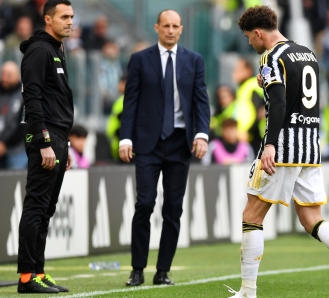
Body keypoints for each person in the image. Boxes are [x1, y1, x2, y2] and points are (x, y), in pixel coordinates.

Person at [227, 6, 329, 298]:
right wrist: (266, 85)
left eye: (248, 37)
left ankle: (248, 290)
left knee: (252, 215)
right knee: (312, 219)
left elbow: (281, 104)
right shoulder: (307, 53)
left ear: (258, 33)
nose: (249, 43)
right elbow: (298, 94)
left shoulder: (270, 57)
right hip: (310, 147)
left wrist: (269, 143)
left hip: (282, 146)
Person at [119, 9, 210, 287]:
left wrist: (203, 134)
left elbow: (200, 101)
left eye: (175, 26)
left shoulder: (194, 61)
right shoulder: (139, 60)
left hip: (180, 143)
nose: (170, 30)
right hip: (147, 143)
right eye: (166, 26)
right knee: (144, 204)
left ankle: (163, 271)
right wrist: (126, 138)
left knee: (173, 208)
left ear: (181, 29)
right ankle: (137, 269)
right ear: (157, 27)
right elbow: (130, 102)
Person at [16, 0, 74, 294]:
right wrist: (45, 142)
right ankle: (26, 277)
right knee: (36, 206)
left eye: (72, 16)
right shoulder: (40, 51)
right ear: (48, 19)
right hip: (46, 140)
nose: (70, 21)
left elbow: (57, 101)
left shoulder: (56, 50)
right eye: (64, 16)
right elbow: (33, 99)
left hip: (58, 139)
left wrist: (67, 145)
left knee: (46, 209)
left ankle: (38, 271)